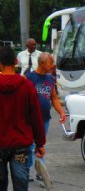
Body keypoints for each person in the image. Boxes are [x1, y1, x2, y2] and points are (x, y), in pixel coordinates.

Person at [0, 46, 46, 191]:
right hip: (21, 145)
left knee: (0, 185)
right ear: (16, 62)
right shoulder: (26, 85)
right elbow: (36, 116)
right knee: (21, 187)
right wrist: (40, 142)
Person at [26, 53, 66, 182]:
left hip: (45, 118)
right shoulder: (30, 78)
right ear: (42, 64)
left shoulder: (50, 79)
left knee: (40, 144)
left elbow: (54, 97)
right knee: (31, 145)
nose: (53, 65)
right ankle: (33, 172)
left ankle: (35, 172)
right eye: (50, 62)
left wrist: (61, 112)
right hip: (31, 119)